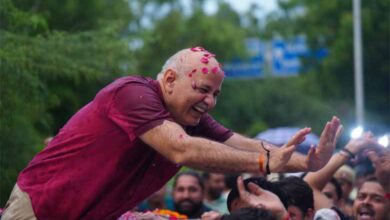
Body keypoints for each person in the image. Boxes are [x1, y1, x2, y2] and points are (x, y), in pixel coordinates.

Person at [2, 47, 342, 220]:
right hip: (40, 210)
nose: (209, 102)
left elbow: (248, 144)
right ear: (168, 81)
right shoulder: (131, 94)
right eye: (202, 89)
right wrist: (264, 163)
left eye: (216, 95)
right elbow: (182, 150)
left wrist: (306, 162)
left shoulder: (190, 117)